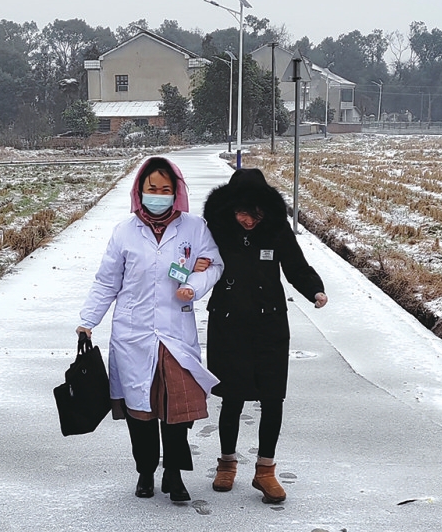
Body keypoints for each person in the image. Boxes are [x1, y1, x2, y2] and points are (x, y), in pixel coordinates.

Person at [78, 157, 222, 503]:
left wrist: (194, 285)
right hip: (134, 334)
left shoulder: (194, 228)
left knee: (177, 408)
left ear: (177, 192)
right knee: (140, 411)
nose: (158, 195)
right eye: (152, 189)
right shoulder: (125, 232)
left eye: (165, 189)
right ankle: (145, 471)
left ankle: (174, 473)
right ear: (139, 190)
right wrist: (88, 320)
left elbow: (214, 265)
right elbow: (107, 282)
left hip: (175, 333)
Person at [202, 166, 327, 504]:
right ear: (231, 208)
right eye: (243, 213)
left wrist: (314, 290)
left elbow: (296, 266)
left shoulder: (275, 228)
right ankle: (227, 463)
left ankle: (265, 470)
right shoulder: (215, 229)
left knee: (273, 398)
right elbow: (193, 259)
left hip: (269, 323)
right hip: (228, 322)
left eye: (255, 214)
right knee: (232, 396)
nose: (249, 220)